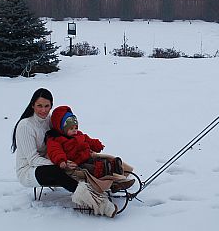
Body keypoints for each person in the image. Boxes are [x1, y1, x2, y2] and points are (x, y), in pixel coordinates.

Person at [12, 88, 118, 217]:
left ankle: (114, 177)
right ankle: (100, 204)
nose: (43, 110)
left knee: (84, 157)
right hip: (30, 170)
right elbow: (33, 159)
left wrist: (80, 146)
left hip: (52, 159)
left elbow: (64, 134)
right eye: (39, 106)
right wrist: (62, 163)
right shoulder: (25, 126)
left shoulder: (48, 120)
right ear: (32, 105)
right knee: (56, 171)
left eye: (47, 106)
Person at [46, 105, 135, 191]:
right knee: (93, 169)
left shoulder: (79, 134)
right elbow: (55, 151)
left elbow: (89, 140)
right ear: (61, 128)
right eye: (71, 128)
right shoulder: (56, 139)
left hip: (87, 157)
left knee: (102, 162)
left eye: (75, 127)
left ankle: (114, 169)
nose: (74, 130)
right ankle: (110, 176)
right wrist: (61, 161)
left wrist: (97, 145)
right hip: (77, 164)